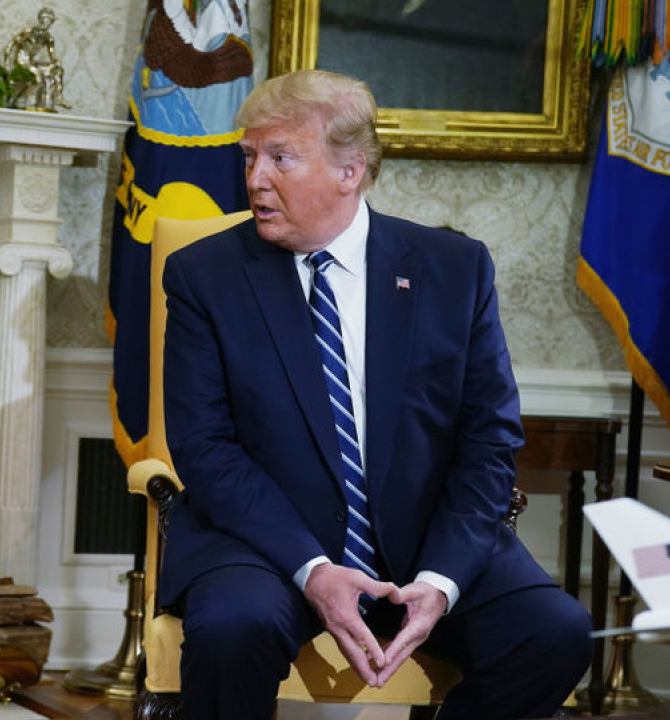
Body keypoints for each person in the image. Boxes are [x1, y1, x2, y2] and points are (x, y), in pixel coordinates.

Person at [159, 69, 591, 720]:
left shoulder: (453, 270)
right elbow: (205, 447)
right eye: (249, 157)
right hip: (266, 546)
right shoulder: (204, 276)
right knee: (231, 630)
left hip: (423, 542)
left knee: (554, 634)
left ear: (350, 171)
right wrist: (313, 568)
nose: (255, 179)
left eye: (280, 158)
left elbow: (489, 440)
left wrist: (441, 581)